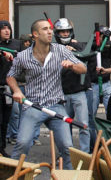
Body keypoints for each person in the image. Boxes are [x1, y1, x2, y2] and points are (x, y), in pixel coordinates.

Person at [7, 19, 87, 169]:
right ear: (35, 34)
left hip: (56, 105)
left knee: (67, 147)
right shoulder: (23, 56)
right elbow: (11, 75)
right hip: (33, 106)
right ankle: (12, 174)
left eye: (50, 29)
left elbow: (83, 68)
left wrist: (72, 66)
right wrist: (17, 91)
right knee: (22, 143)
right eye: (45, 29)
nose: (50, 32)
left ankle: (68, 178)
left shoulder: (61, 50)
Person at [53, 18, 90, 153]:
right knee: (63, 126)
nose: (65, 34)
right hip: (61, 94)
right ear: (57, 33)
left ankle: (85, 154)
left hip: (79, 93)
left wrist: (73, 52)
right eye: (62, 31)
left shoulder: (79, 47)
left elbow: (86, 62)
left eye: (67, 31)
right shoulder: (53, 49)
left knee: (83, 125)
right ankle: (66, 154)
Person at [0, 20, 24, 157]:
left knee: (6, 120)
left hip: (9, 88)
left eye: (8, 28)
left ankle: (2, 148)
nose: (6, 31)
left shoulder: (16, 44)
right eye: (3, 28)